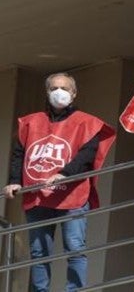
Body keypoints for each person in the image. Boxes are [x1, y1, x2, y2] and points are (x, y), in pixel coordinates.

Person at [3, 72, 116, 292]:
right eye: (54, 88)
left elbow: (88, 155)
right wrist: (14, 181)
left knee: (74, 249)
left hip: (72, 197)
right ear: (47, 92)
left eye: (64, 88)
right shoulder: (31, 122)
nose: (59, 93)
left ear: (74, 93)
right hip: (38, 196)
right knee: (38, 252)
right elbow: (19, 154)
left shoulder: (87, 122)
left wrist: (63, 174)